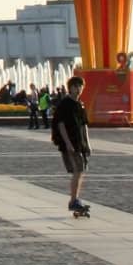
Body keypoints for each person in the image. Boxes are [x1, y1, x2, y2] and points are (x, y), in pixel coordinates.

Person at [50, 75, 91, 216]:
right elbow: (60, 124)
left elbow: (84, 125)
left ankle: (75, 200)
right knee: (78, 170)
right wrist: (67, 143)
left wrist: (88, 143)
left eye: (81, 87)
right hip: (71, 143)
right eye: (76, 86)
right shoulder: (65, 104)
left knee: (80, 171)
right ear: (71, 88)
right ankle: (73, 200)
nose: (79, 89)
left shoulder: (80, 104)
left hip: (80, 143)